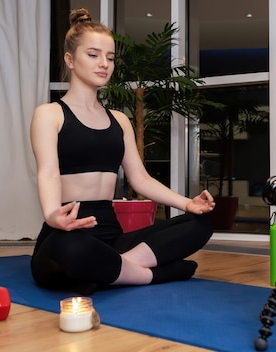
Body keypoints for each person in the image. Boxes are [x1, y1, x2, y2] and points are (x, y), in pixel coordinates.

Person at [29, 8, 215, 294]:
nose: (104, 63)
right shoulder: (49, 114)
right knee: (70, 247)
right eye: (93, 55)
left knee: (199, 224)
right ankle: (149, 275)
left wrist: (187, 204)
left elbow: (140, 180)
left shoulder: (120, 120)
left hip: (111, 235)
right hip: (67, 233)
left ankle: (112, 268)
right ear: (70, 59)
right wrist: (54, 214)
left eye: (110, 57)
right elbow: (49, 172)